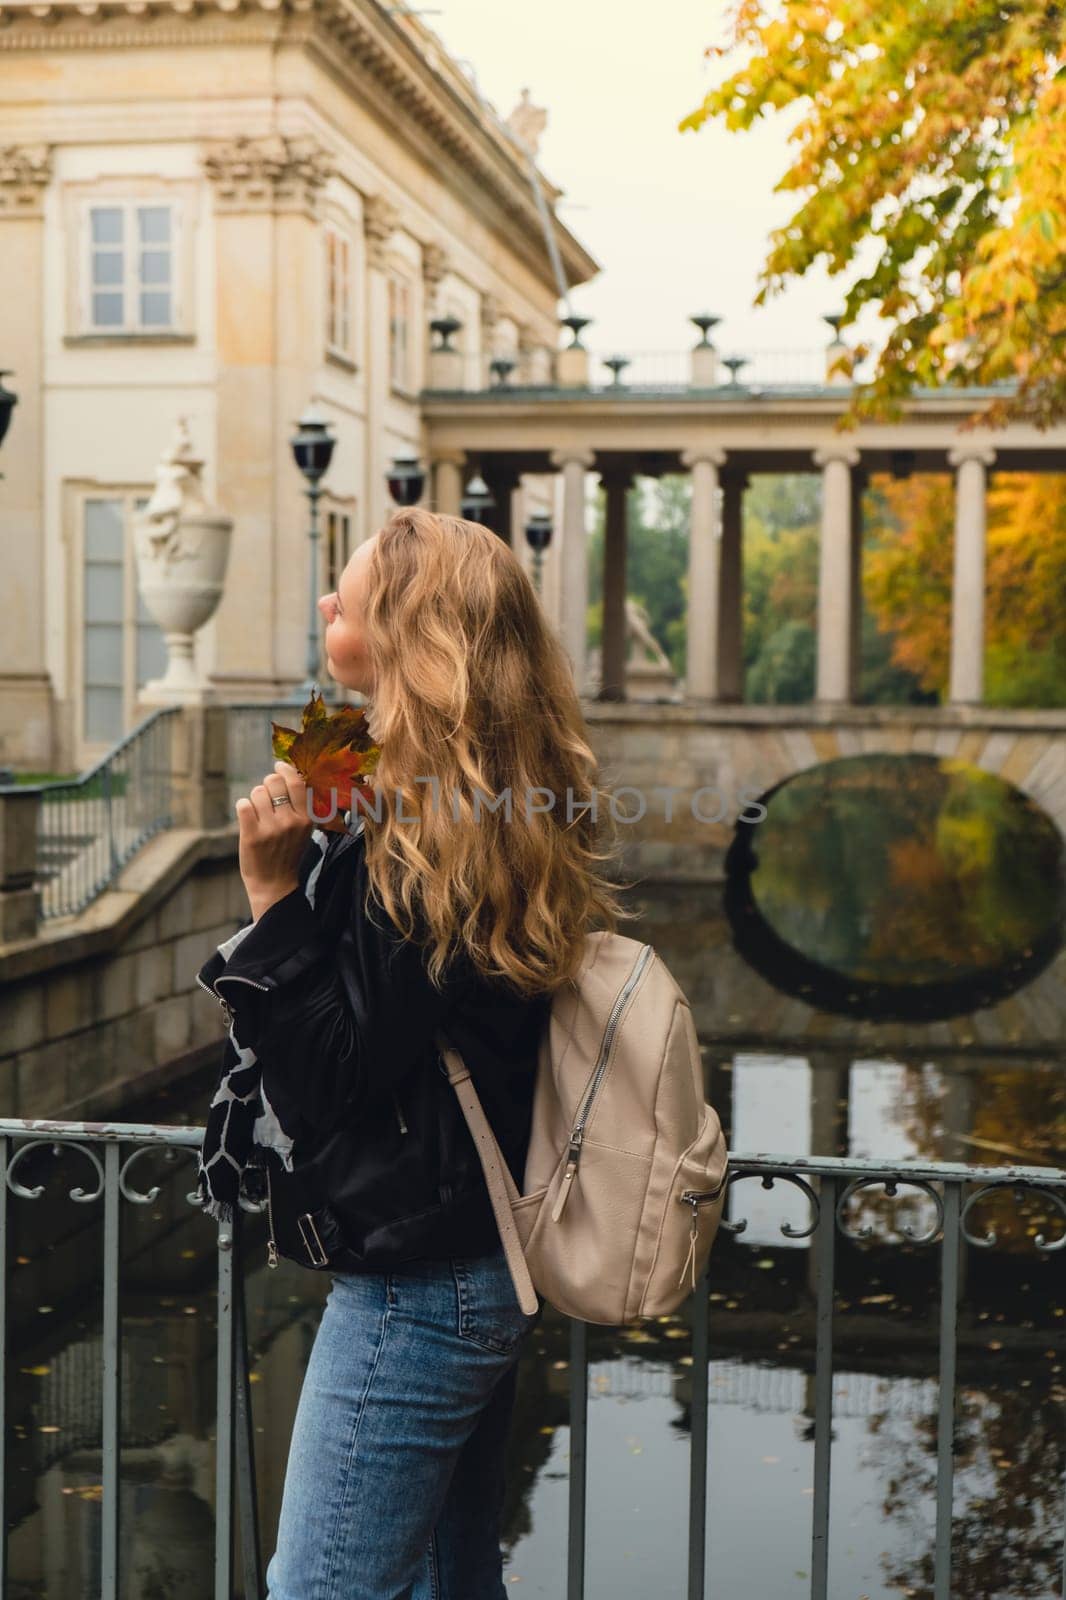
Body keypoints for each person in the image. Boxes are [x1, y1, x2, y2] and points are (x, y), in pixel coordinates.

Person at [197, 507, 636, 1600]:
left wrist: (266, 895)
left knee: (323, 1588)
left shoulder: (426, 837)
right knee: (451, 1579)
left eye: (344, 601)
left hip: (419, 1282)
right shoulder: (480, 799)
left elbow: (329, 1078)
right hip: (473, 1245)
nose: (323, 609)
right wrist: (326, 789)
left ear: (407, 634)